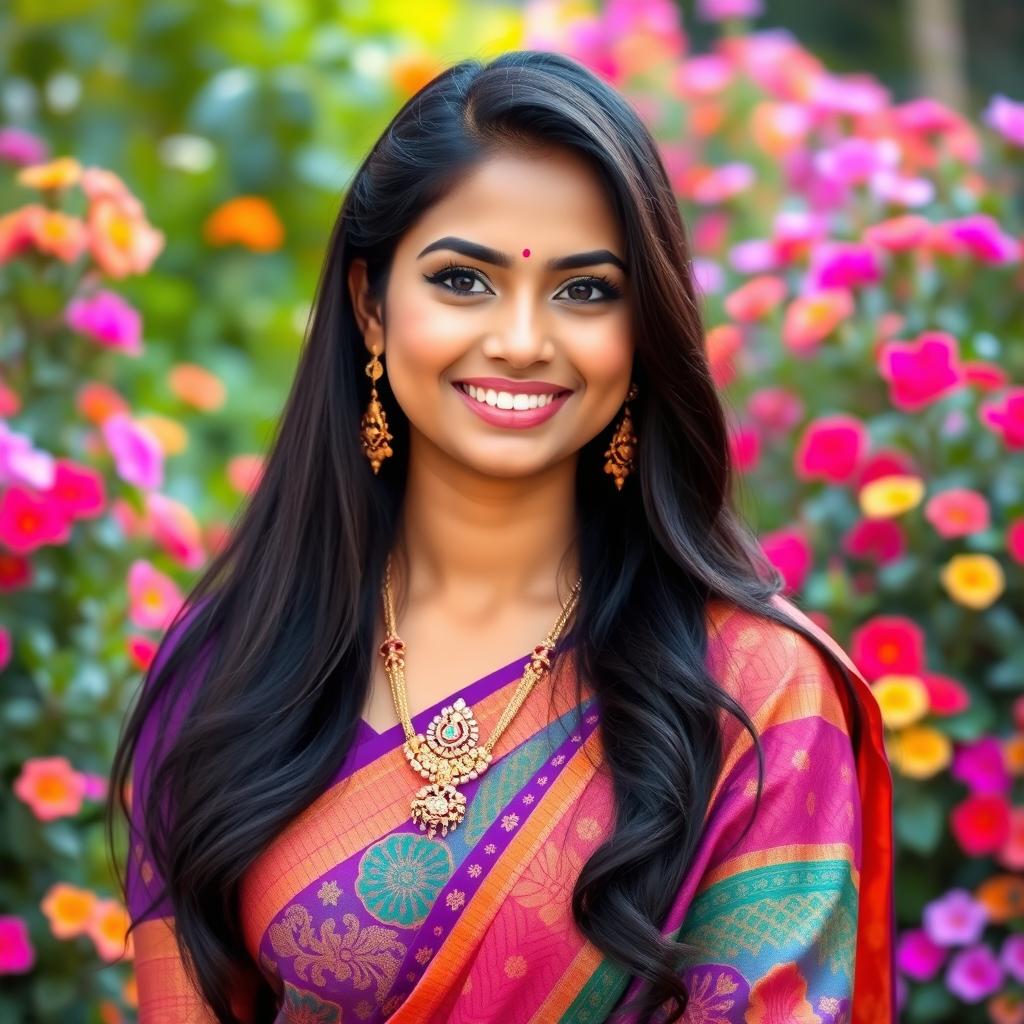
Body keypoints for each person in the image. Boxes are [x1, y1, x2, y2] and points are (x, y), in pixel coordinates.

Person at [106, 49, 896, 1024]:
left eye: (584, 291)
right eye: (463, 281)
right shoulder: (236, 663)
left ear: (642, 330)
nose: (522, 339)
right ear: (369, 303)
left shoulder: (750, 691)